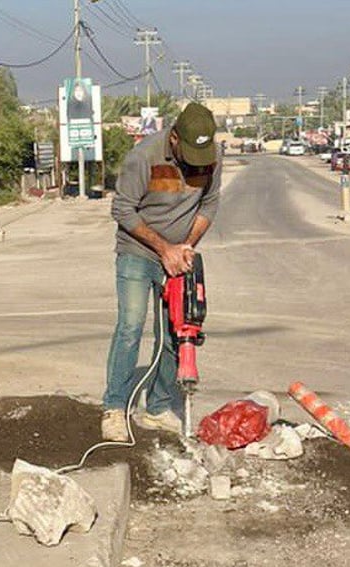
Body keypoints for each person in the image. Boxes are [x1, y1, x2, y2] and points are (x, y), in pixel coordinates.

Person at [101, 102, 222, 440]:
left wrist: (185, 246)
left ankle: (156, 408)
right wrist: (163, 249)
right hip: (138, 252)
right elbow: (122, 208)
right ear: (173, 140)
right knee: (131, 326)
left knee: (176, 333)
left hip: (179, 252)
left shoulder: (211, 156)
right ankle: (114, 407)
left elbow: (210, 204)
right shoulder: (143, 156)